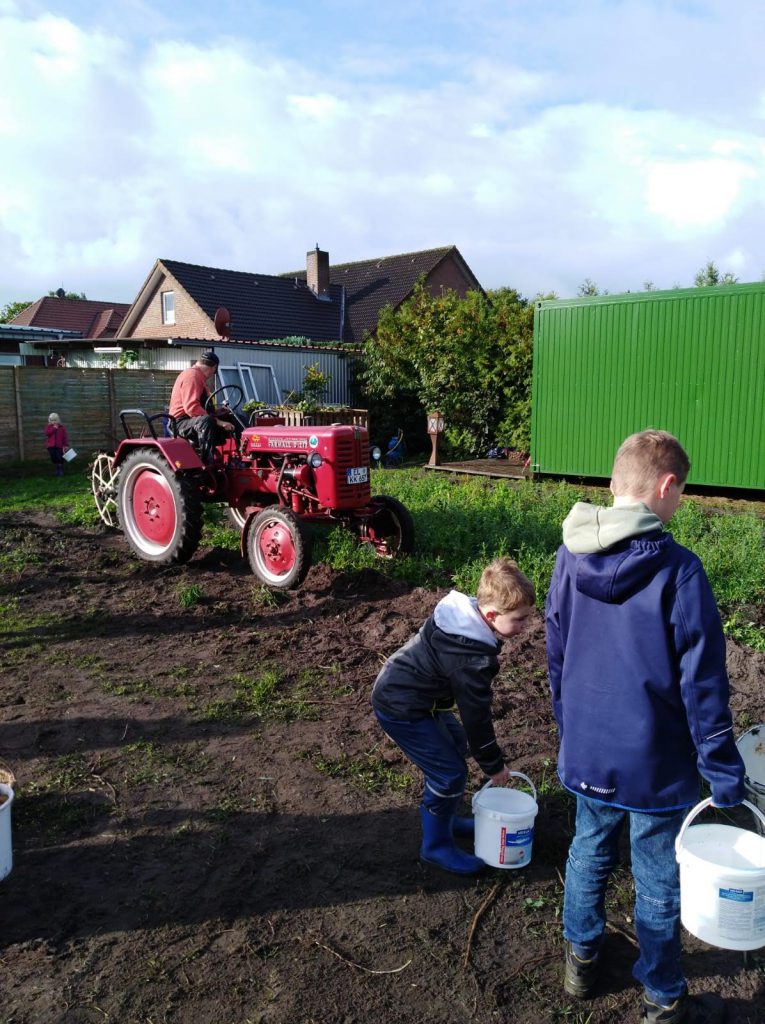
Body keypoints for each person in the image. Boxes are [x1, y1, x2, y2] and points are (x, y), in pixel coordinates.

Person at [545, 430, 745, 1024]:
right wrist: (723, 772)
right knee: (657, 874)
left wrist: (569, 728)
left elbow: (556, 655)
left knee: (588, 850)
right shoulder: (679, 571)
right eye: (680, 493)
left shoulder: (567, 555)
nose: (679, 503)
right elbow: (703, 684)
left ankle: (581, 959)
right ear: (664, 486)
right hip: (656, 763)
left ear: (615, 482)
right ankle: (661, 997)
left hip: (586, 751)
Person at [372, 557, 536, 875]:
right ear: (490, 614)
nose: (524, 627)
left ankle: (446, 818)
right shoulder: (470, 657)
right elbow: (476, 717)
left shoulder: (461, 618)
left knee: (456, 744)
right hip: (401, 706)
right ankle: (435, 847)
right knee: (450, 775)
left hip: (414, 695)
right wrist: (494, 765)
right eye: (518, 620)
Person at [168, 351, 236, 464]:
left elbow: (202, 407)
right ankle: (207, 464)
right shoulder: (192, 376)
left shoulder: (199, 377)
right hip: (180, 422)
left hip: (193, 419)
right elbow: (191, 408)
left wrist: (220, 412)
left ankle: (244, 455)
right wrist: (219, 422)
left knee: (231, 416)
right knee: (207, 421)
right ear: (213, 368)